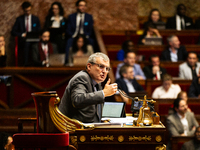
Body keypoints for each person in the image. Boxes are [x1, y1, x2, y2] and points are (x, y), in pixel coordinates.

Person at [58, 52, 118, 123]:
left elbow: (94, 110)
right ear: (89, 66)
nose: (104, 71)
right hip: (73, 128)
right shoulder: (82, 77)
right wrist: (103, 93)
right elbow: (77, 100)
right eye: (101, 66)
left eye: (107, 68)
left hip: (90, 127)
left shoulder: (97, 83)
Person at [11, 1, 41, 66]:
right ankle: (26, 64)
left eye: (29, 10)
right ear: (23, 10)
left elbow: (39, 30)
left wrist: (34, 34)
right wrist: (22, 34)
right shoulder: (19, 19)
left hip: (34, 39)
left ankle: (37, 64)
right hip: (23, 39)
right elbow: (13, 32)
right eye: (26, 11)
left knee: (37, 45)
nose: (28, 12)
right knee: (27, 43)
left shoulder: (35, 19)